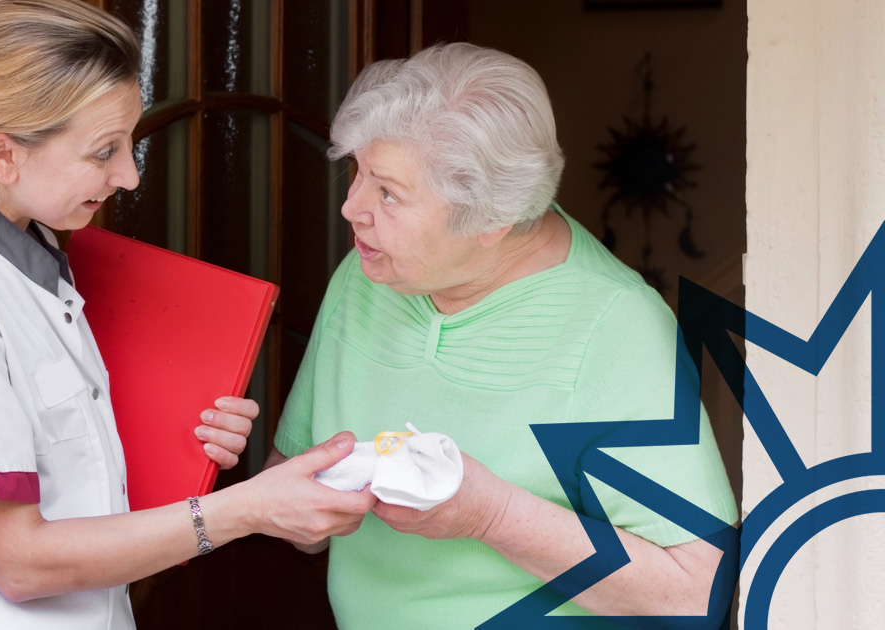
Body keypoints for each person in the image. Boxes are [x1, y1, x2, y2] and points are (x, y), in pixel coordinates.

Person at [0, 1, 373, 628]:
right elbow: (18, 562)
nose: (128, 175)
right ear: (3, 155)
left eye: (129, 143)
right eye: (104, 151)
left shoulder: (26, 246)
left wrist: (180, 442)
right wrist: (245, 511)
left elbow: (58, 465)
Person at [268, 43, 738, 628]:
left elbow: (696, 592)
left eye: (388, 192)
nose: (351, 207)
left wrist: (487, 516)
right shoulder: (368, 277)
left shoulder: (615, 326)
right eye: (358, 172)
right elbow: (294, 503)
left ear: (492, 218)